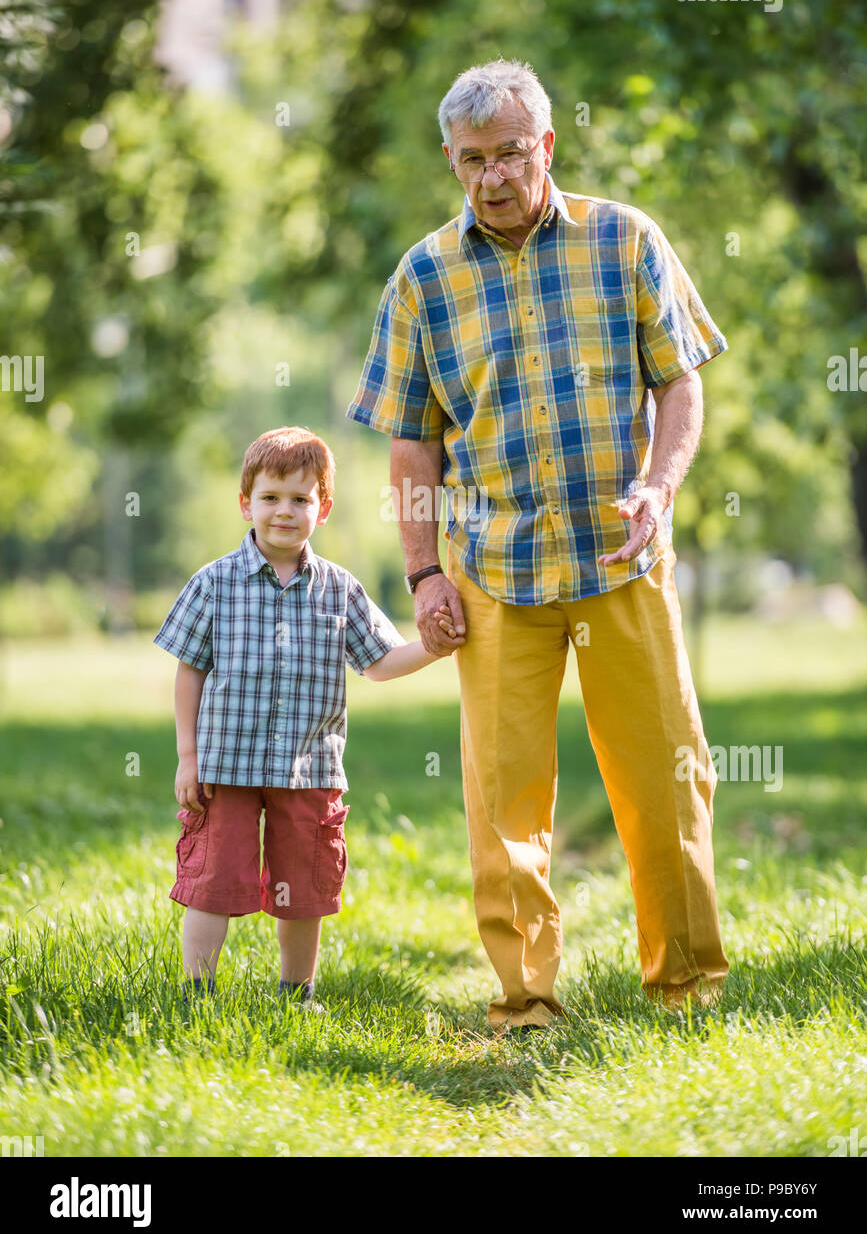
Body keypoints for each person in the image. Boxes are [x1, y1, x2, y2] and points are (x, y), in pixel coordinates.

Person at [346, 57, 730, 1033]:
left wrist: (660, 482)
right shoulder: (423, 275)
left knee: (665, 780)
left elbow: (680, 382)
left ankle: (685, 987)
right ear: (452, 161)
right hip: (494, 576)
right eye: (472, 160)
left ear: (546, 145)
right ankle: (527, 1003)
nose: (494, 177)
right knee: (503, 806)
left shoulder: (626, 239)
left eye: (511, 153)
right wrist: (425, 571)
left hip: (619, 560)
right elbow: (411, 439)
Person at [153, 425, 458, 1006]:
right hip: (225, 767)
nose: (284, 511)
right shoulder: (214, 584)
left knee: (303, 890)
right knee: (212, 884)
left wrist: (435, 647)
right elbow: (189, 669)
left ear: (324, 507)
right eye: (270, 497)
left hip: (309, 771)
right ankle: (197, 994)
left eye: (300, 498)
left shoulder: (339, 589)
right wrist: (187, 757)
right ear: (246, 503)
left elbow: (379, 662)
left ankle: (298, 993)